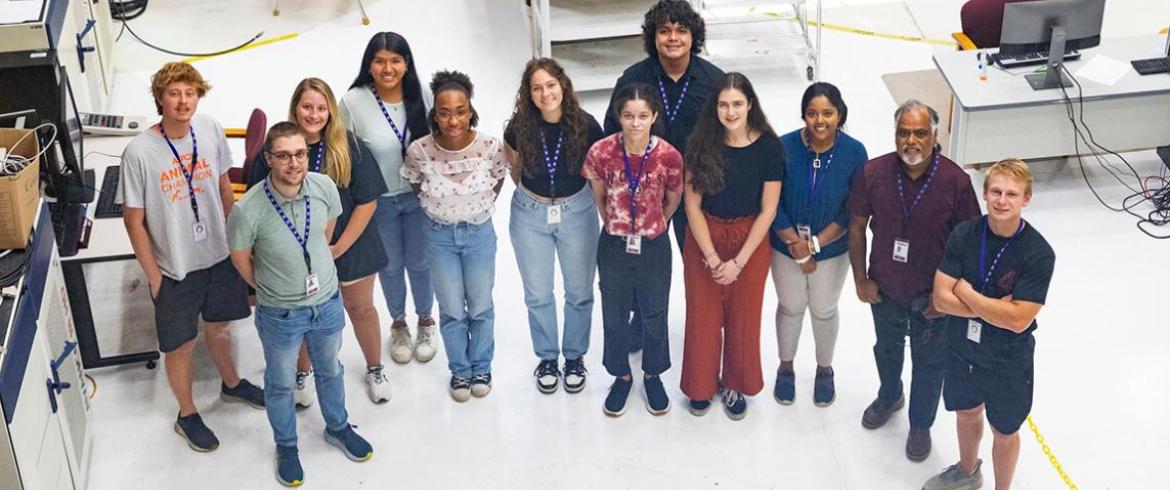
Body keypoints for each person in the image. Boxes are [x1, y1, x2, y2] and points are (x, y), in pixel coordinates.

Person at [116, 61, 263, 452]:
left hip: (218, 257)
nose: (183, 101)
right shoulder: (139, 153)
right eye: (174, 94)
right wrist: (154, 278)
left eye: (190, 93)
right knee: (180, 346)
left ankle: (232, 384)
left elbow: (224, 189)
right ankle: (187, 413)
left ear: (199, 96)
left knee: (220, 327)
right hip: (175, 268)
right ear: (160, 99)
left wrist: (236, 243)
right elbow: (133, 221)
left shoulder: (210, 129)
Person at [229, 122, 373, 487]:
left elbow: (326, 232)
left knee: (331, 370)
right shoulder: (249, 209)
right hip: (280, 313)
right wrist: (270, 287)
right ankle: (287, 446)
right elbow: (241, 259)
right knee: (280, 384)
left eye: (299, 154)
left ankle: (338, 427)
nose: (294, 163)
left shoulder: (324, 187)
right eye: (283, 156)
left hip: (326, 303)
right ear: (269, 159)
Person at [847, 99, 981, 461]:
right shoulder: (873, 173)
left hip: (931, 298)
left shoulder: (955, 181)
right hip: (884, 288)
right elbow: (856, 228)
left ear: (934, 136)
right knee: (886, 349)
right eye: (903, 132)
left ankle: (921, 424)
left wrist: (948, 298)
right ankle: (890, 395)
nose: (911, 141)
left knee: (930, 363)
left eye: (920, 133)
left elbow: (969, 246)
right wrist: (860, 280)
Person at [248, 78, 391, 405]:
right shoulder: (278, 147)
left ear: (331, 111)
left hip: (349, 246)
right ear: (295, 108)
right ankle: (303, 371)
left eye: (321, 108)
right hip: (298, 255)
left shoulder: (349, 146)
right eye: (307, 107)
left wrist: (338, 248)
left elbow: (367, 202)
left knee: (360, 308)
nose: (314, 115)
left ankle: (375, 367)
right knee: (303, 315)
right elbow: (259, 201)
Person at [924, 159, 1055, 490]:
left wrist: (967, 293)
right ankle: (967, 471)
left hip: (1009, 357)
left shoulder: (1038, 253)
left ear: (1026, 199)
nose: (1002, 200)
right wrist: (998, 309)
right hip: (963, 346)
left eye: (1012, 194)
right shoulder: (965, 234)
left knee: (1004, 431)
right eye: (996, 191)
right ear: (984, 194)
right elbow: (941, 299)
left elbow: (1019, 320)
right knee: (966, 412)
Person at [604, 0, 725, 354]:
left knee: (700, 264)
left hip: (698, 192)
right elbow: (612, 133)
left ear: (693, 36)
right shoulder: (633, 79)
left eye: (681, 31)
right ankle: (640, 321)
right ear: (653, 36)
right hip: (644, 191)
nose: (673, 38)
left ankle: (703, 328)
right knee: (640, 263)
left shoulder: (714, 81)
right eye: (665, 31)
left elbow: (730, 136)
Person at [679, 73, 781, 420]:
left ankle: (736, 383)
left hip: (750, 239)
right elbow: (692, 205)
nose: (730, 111)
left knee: (744, 317)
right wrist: (711, 257)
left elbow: (768, 210)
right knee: (702, 316)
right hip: (704, 236)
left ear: (750, 105)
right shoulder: (700, 143)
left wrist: (738, 261)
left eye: (737, 104)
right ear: (715, 107)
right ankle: (700, 385)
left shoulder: (769, 146)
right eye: (723, 104)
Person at [401, 70, 508, 403]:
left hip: (479, 234)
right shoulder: (419, 151)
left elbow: (498, 180)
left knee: (480, 306)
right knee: (451, 309)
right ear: (434, 114)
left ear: (470, 110)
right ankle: (460, 370)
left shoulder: (490, 146)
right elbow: (415, 183)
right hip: (440, 237)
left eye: (460, 111)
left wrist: (474, 208)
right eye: (444, 112)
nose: (453, 120)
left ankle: (481, 367)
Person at [503, 58, 604, 394]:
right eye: (537, 88)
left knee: (579, 292)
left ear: (563, 85)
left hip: (577, 211)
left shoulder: (587, 125)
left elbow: (597, 172)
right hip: (530, 214)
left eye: (550, 85)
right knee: (537, 293)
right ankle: (547, 357)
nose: (545, 93)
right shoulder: (518, 127)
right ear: (528, 93)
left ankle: (574, 356)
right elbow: (515, 168)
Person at [584, 83, 683, 417]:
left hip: (654, 244)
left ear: (654, 116)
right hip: (614, 244)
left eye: (643, 116)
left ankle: (652, 374)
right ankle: (621, 375)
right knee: (614, 314)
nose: (636, 123)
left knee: (654, 312)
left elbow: (673, 197)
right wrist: (616, 222)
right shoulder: (601, 152)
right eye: (629, 116)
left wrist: (654, 223)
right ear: (619, 116)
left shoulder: (669, 156)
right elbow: (599, 195)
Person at [340, 31, 436, 367]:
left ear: (406, 63)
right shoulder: (353, 101)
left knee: (421, 263)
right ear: (369, 65)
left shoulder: (422, 93)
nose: (387, 68)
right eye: (379, 61)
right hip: (379, 202)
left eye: (395, 60)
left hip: (419, 198)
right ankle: (399, 324)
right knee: (391, 265)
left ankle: (425, 320)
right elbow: (342, 152)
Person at [771, 82, 869, 407]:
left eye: (828, 113)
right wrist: (793, 241)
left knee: (824, 310)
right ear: (803, 115)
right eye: (812, 113)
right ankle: (786, 367)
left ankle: (824, 369)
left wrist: (813, 245)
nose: (820, 121)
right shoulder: (783, 146)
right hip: (785, 246)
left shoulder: (855, 153)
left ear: (840, 115)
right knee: (790, 306)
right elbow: (771, 201)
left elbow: (854, 209)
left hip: (831, 249)